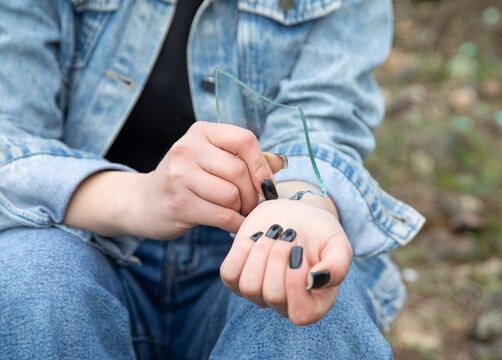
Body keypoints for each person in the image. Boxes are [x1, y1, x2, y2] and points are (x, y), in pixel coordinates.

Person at [0, 0, 425, 358]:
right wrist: (139, 197)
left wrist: (298, 206)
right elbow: (9, 131)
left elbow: (325, 115)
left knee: (306, 303)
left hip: (246, 231)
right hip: (81, 232)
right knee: (31, 282)